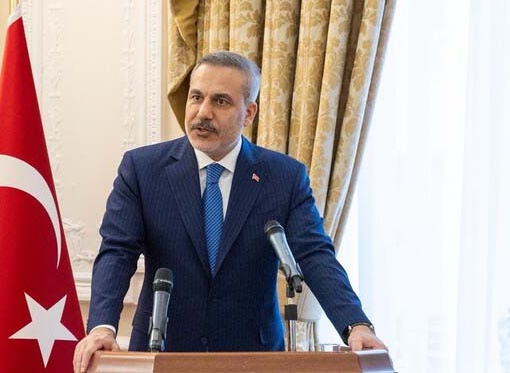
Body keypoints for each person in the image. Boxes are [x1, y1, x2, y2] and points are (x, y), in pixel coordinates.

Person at [73, 52, 385, 373]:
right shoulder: (142, 169)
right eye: (196, 97)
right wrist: (102, 327)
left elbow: (315, 254)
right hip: (162, 351)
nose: (203, 113)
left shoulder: (284, 177)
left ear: (248, 113)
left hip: (255, 358)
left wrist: (355, 324)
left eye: (220, 101)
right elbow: (117, 252)